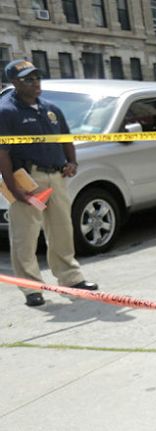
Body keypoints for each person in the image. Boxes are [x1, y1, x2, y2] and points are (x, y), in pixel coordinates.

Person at [0, 59, 98, 307]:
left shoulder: (50, 108)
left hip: (56, 177)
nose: (35, 83)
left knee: (62, 230)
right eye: (28, 79)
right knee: (26, 236)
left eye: (37, 78)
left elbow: (65, 138)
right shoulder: (6, 111)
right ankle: (31, 287)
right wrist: (13, 187)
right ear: (14, 82)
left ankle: (70, 279)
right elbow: (2, 152)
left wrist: (71, 161)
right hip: (28, 180)